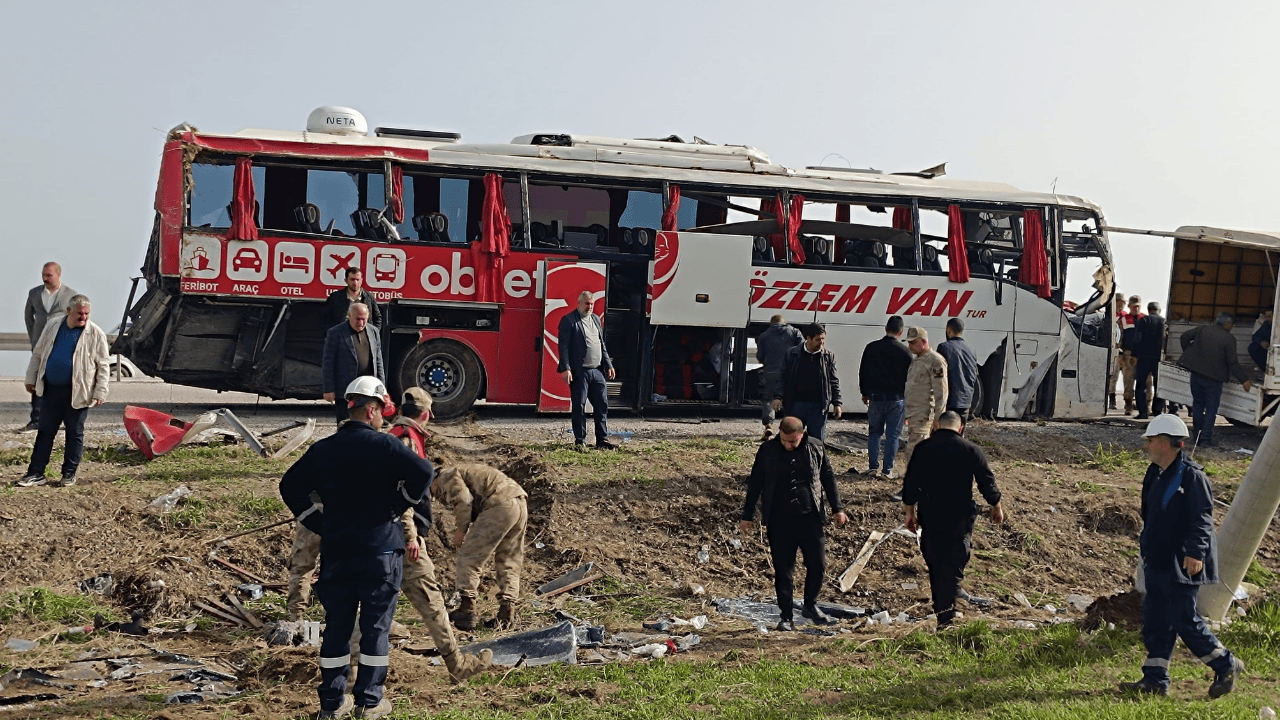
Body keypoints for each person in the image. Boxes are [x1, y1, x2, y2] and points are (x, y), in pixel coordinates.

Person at [279, 376, 433, 720]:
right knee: (376, 627)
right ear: (373, 408)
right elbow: (424, 472)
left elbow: (289, 486)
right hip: (381, 549)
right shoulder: (385, 446)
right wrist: (398, 504)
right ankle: (369, 701)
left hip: (338, 550)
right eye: (381, 412)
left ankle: (332, 705)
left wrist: (317, 522)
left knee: (337, 626)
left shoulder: (324, 448)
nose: (383, 419)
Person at [1118, 414, 1243, 698]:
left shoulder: (1192, 476)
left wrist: (1195, 553)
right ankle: (1154, 679)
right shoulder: (1155, 473)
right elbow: (1149, 514)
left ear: (1166, 443)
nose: (1146, 446)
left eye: (1150, 441)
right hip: (1159, 559)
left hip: (1183, 562)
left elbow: (1201, 519)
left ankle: (1226, 663)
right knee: (1156, 618)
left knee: (1184, 618)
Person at [385, 388, 493, 682]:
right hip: (403, 540)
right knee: (431, 602)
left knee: (378, 604)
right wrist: (410, 537)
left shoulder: (394, 434)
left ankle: (352, 665)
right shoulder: (407, 440)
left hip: (385, 536)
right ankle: (457, 664)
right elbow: (401, 495)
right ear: (426, 413)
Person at [740, 416, 849, 631]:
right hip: (779, 520)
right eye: (785, 440)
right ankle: (786, 615)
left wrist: (838, 508)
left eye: (794, 441)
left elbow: (828, 477)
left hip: (811, 518)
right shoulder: (767, 451)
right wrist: (747, 515)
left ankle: (810, 605)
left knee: (818, 565)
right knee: (784, 571)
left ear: (803, 434)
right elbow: (755, 483)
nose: (789, 445)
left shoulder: (816, 448)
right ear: (779, 432)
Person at [900, 411, 1003, 629]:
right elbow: (987, 481)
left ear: (936, 425)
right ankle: (948, 612)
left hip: (931, 515)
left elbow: (911, 482)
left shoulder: (923, 449)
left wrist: (910, 511)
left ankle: (944, 614)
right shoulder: (971, 450)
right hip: (959, 517)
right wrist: (996, 506)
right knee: (955, 561)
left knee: (936, 564)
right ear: (961, 428)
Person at [17, 295, 108, 488]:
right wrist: (31, 378)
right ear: (69, 311)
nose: (83, 317)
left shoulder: (95, 333)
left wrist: (100, 391)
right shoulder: (53, 326)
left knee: (74, 434)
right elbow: (39, 353)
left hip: (78, 393)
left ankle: (68, 474)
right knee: (45, 432)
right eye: (79, 313)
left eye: (86, 313)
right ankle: (36, 473)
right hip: (51, 390)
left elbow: (104, 365)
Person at [433, 463, 529, 632]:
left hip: (499, 504)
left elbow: (463, 501)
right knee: (509, 558)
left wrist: (461, 531)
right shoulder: (464, 470)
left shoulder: (446, 475)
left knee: (469, 557)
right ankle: (506, 613)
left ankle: (466, 610)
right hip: (519, 503)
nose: (435, 497)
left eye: (432, 493)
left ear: (431, 481)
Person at [1177, 312, 1251, 447]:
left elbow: (1184, 336)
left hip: (1197, 375)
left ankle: (1196, 437)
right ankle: (1205, 440)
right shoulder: (1229, 339)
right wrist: (1244, 379)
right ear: (1227, 324)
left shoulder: (1203, 330)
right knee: (1211, 409)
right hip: (1214, 380)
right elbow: (1232, 362)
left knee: (1198, 405)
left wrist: (1189, 352)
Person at [557, 290, 616, 452]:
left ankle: (602, 440)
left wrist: (608, 364)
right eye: (587, 304)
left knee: (602, 405)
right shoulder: (569, 320)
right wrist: (565, 368)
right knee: (579, 406)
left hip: (597, 371)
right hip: (579, 371)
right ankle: (580, 441)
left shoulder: (596, 319)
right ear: (579, 303)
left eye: (592, 304)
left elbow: (601, 344)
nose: (589, 307)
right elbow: (563, 346)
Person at [22, 262, 78, 431]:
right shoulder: (34, 293)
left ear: (58, 274)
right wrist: (34, 339)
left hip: (61, 345)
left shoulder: (70, 295)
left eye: (49, 275)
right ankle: (36, 419)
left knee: (61, 383)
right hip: (39, 345)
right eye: (43, 275)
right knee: (38, 381)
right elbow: (28, 317)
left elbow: (75, 319)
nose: (45, 278)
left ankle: (63, 420)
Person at [857, 315, 912, 478]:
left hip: (875, 398)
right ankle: (887, 471)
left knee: (874, 433)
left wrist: (864, 392)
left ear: (886, 329)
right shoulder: (906, 352)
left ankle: (873, 467)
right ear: (901, 332)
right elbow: (910, 378)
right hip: (897, 400)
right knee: (893, 436)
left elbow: (863, 372)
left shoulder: (871, 347)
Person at [771, 323, 842, 441]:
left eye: (823, 339)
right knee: (792, 438)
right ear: (808, 338)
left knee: (816, 442)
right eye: (818, 339)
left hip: (819, 407)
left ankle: (814, 460)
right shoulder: (792, 354)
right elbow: (783, 377)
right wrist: (778, 397)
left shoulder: (828, 356)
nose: (821, 342)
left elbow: (834, 381)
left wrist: (837, 403)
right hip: (795, 405)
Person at [321, 303, 384, 425]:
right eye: (357, 319)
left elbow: (378, 361)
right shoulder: (335, 333)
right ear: (349, 316)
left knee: (368, 426)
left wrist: (382, 389)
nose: (361, 323)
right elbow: (328, 363)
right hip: (345, 391)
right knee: (345, 425)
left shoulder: (373, 332)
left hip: (368, 390)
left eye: (364, 319)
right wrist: (329, 389)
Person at [900, 326, 948, 472]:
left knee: (915, 451)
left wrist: (939, 417)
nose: (910, 346)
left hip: (924, 414)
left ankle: (914, 481)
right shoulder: (918, 359)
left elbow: (941, 392)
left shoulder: (935, 361)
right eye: (909, 343)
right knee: (915, 450)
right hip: (914, 413)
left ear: (924, 341)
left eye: (913, 343)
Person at [755, 315, 804, 441]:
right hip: (789, 372)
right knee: (789, 399)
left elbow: (760, 355)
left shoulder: (764, 335)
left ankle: (769, 425)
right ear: (784, 323)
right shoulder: (794, 332)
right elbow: (803, 350)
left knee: (768, 398)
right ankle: (788, 427)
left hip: (770, 371)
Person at [936, 317, 979, 421]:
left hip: (950, 400)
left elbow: (939, 375)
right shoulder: (972, 350)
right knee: (959, 433)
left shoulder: (943, 347)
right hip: (966, 401)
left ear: (948, 330)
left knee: (946, 433)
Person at [1133, 301, 1166, 419]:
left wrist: (1135, 354)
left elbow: (1137, 338)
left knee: (1140, 386)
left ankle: (1143, 412)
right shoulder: (1164, 322)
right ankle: (1157, 411)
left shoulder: (1144, 320)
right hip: (1159, 359)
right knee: (1159, 386)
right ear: (1159, 311)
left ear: (1149, 310)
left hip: (1144, 357)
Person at [1119, 295, 1146, 415]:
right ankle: (1128, 405)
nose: (1136, 308)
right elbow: (1119, 338)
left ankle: (1145, 406)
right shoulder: (1123, 319)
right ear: (1129, 306)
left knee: (1144, 382)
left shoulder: (1145, 319)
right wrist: (1120, 355)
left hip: (1143, 355)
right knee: (1128, 381)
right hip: (1128, 355)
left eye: (1138, 306)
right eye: (1133, 306)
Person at [1108, 292, 1126, 411]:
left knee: (1127, 379)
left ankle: (1128, 401)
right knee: (1113, 378)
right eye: (1118, 302)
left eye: (1122, 302)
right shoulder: (1109, 316)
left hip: (1126, 353)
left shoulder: (1126, 317)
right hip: (1114, 352)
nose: (1121, 304)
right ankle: (1112, 400)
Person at [1248, 311, 1271, 375]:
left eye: (1269, 317)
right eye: (1266, 316)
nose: (1267, 318)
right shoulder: (1267, 324)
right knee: (1253, 347)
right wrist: (1261, 342)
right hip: (1269, 349)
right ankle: (1266, 371)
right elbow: (1255, 336)